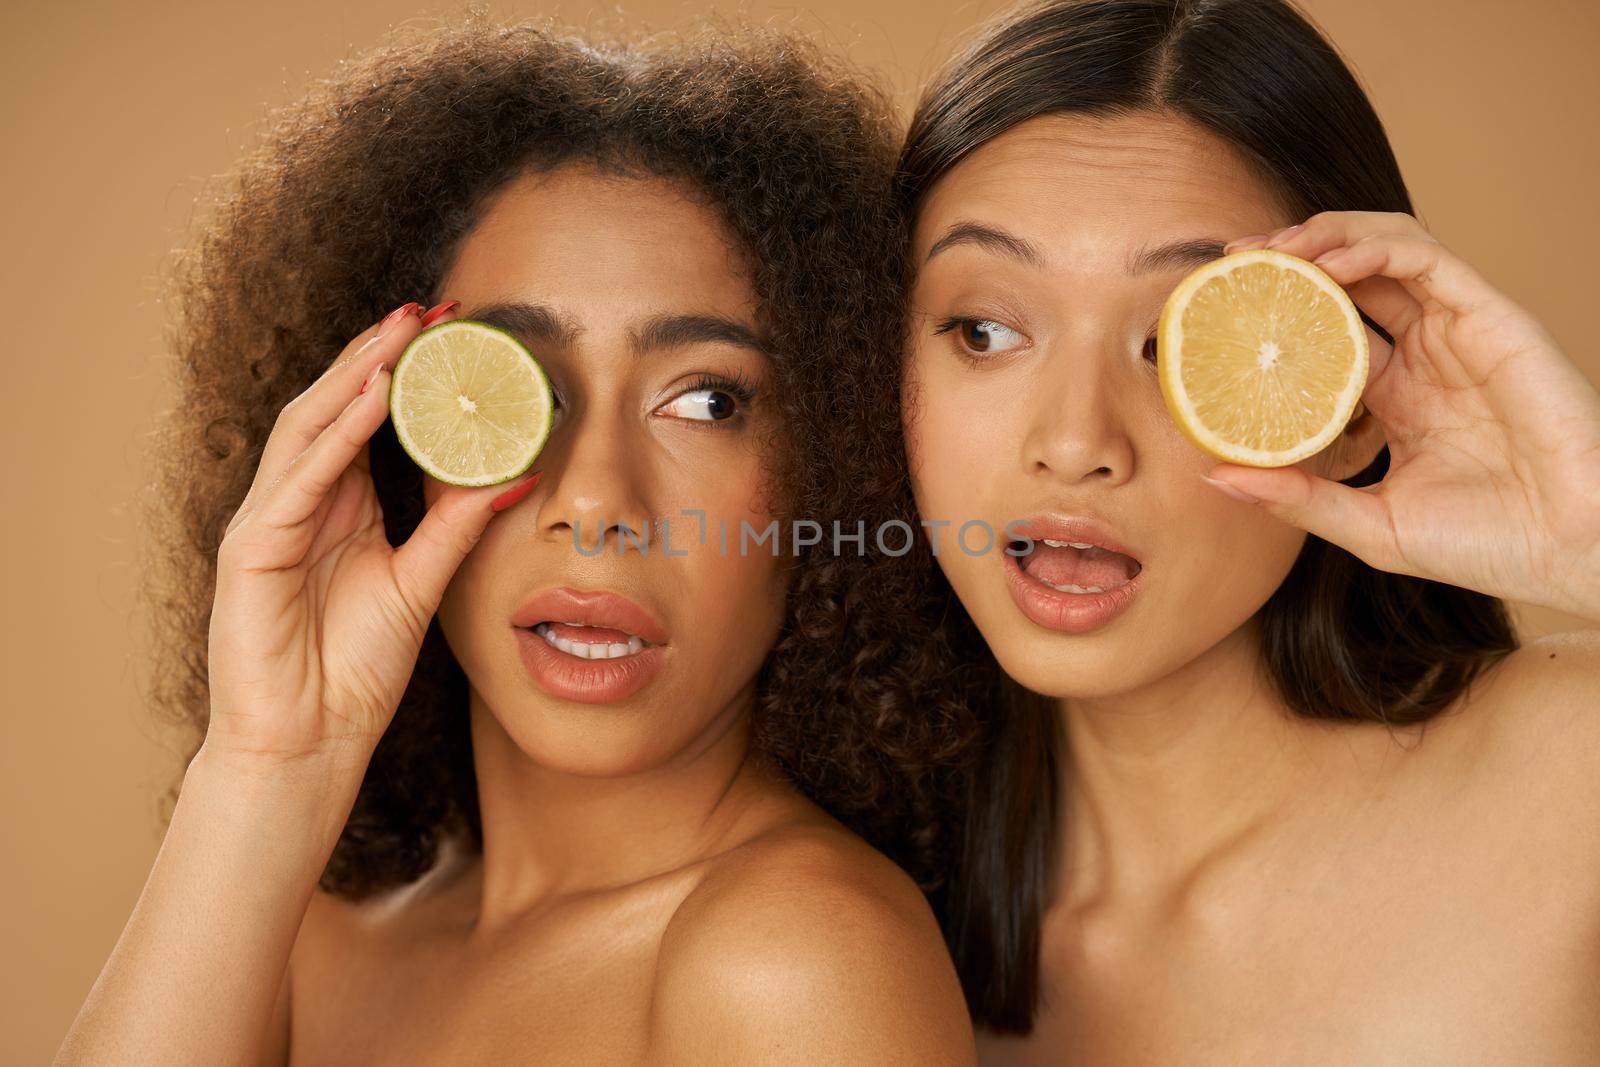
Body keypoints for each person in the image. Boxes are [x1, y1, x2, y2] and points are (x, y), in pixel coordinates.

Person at [57, 16, 977, 1065]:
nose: (593, 499)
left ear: (839, 453)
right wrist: (266, 765)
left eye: (708, 399)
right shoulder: (313, 934)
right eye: (518, 383)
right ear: (395, 434)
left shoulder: (794, 959)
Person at [890, 0, 1600, 1060]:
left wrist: (1584, 534)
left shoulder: (1566, 787)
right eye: (984, 330)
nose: (1076, 440)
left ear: (1346, 401)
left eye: (1179, 339)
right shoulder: (861, 927)